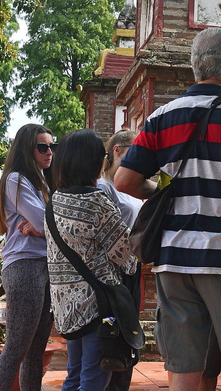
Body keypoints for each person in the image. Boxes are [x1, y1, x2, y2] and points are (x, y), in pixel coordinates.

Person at [114, 27, 221, 391]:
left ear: (195, 68)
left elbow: (124, 181)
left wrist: (161, 190)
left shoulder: (162, 116)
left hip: (174, 261)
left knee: (184, 370)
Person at [47, 129, 138, 391]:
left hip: (66, 308)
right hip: (98, 307)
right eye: (103, 155)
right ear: (92, 160)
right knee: (93, 380)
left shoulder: (54, 202)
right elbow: (127, 257)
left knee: (74, 375)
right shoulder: (97, 200)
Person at [0, 124, 56, 391]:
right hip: (24, 264)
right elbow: (44, 223)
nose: (49, 152)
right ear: (27, 150)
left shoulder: (43, 181)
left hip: (45, 264)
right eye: (43, 147)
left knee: (35, 353)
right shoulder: (16, 179)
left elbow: (48, 224)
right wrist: (43, 228)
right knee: (16, 349)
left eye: (52, 146)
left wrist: (44, 227)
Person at [97, 128, 144, 391]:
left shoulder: (129, 186)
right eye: (134, 152)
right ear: (117, 151)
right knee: (113, 337)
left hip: (132, 268)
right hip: (113, 271)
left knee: (128, 336)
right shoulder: (104, 187)